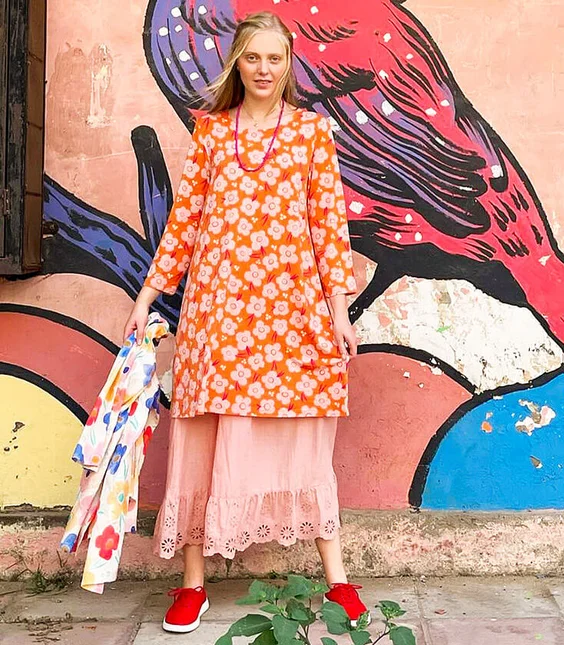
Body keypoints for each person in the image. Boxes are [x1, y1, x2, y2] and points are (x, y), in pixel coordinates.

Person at [123, 11, 365, 634]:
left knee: (305, 434)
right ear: (237, 63)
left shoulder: (313, 134)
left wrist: (339, 312)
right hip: (219, 311)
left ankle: (338, 578)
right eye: (253, 58)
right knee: (205, 434)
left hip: (293, 307)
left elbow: (327, 226)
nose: (264, 70)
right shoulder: (210, 133)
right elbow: (184, 222)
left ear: (290, 67)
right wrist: (150, 295)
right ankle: (193, 584)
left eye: (275, 59)